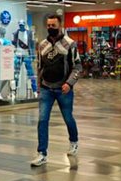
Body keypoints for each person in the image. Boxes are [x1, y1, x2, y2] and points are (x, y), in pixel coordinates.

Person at [30, 14, 82, 167]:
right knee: (42, 119)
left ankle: (74, 141)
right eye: (48, 25)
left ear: (60, 25)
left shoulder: (70, 44)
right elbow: (40, 66)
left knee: (68, 117)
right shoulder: (42, 45)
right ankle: (42, 153)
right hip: (46, 88)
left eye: (53, 25)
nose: (50, 28)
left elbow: (77, 66)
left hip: (63, 89)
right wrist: (38, 85)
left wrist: (69, 83)